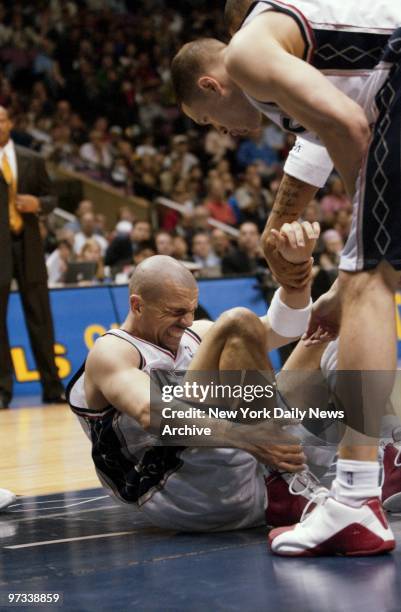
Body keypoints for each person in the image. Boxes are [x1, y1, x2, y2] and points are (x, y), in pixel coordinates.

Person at [171, 1, 401, 555]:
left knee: (368, 281)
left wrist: (359, 247)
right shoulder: (296, 74)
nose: (220, 133)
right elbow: (325, 137)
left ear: (211, 83)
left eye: (207, 119)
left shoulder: (251, 51)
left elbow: (349, 126)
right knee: (366, 279)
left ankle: (353, 499)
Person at [67, 222, 330, 532]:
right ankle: (286, 470)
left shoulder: (195, 334)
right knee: (236, 322)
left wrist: (296, 279)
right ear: (137, 305)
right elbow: (150, 411)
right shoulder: (112, 351)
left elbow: (282, 329)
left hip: (242, 473)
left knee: (330, 313)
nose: (187, 320)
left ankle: (350, 463)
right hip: (179, 490)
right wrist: (250, 437)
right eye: (176, 311)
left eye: (191, 309)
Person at [0, 106, 65, 408]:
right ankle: (3, 390)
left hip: (28, 246)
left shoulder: (32, 159)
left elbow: (52, 199)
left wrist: (38, 202)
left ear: (10, 122)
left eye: (0, 119)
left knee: (40, 316)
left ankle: (52, 387)